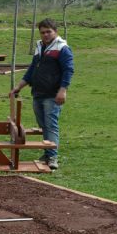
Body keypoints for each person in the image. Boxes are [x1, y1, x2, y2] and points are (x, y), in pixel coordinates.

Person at [10, 18, 74, 170]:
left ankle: (52, 157)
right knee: (43, 125)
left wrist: (62, 90)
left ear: (55, 32)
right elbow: (32, 70)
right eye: (42, 32)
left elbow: (68, 70)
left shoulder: (62, 48)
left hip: (53, 94)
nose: (45, 35)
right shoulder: (39, 47)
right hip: (37, 93)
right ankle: (47, 152)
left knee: (51, 125)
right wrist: (18, 87)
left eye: (48, 32)